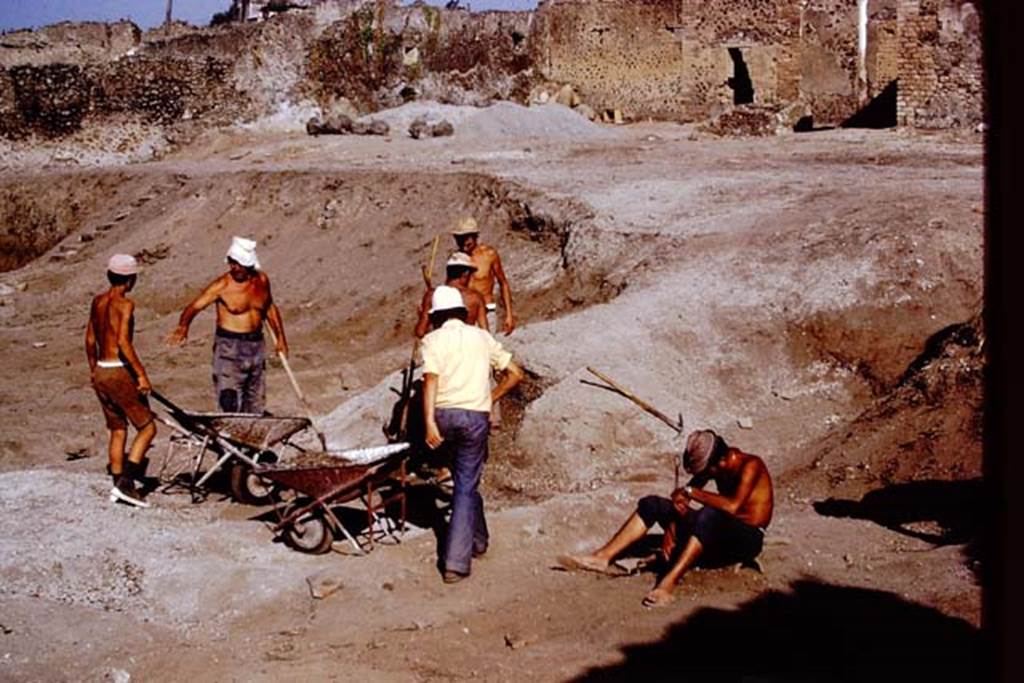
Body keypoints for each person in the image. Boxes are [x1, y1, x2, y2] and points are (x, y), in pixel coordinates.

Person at [557, 429, 773, 607]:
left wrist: (691, 492)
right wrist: (671, 528)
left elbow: (732, 506)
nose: (705, 476)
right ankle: (602, 557)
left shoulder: (751, 465)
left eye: (708, 471)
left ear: (721, 462)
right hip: (718, 530)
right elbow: (682, 502)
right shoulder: (715, 466)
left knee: (709, 514)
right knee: (653, 504)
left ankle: (668, 584)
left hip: (747, 538)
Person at [421, 286, 524, 583]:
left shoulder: (432, 340)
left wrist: (429, 423)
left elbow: (430, 381)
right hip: (475, 417)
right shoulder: (481, 337)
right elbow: (515, 373)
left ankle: (478, 541)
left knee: (464, 479)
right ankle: (456, 562)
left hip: (444, 416)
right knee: (466, 483)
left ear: (437, 316)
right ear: (461, 313)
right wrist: (490, 398)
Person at [166, 236, 288, 414]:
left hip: (256, 344)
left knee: (255, 395)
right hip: (230, 347)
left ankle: (252, 427)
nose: (234, 267)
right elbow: (194, 306)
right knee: (230, 396)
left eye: (238, 264)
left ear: (249, 264)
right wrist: (183, 326)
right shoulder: (222, 285)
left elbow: (269, 308)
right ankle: (230, 426)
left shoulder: (261, 281)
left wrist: (280, 338)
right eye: (232, 263)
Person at [85, 254, 157, 508]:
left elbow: (90, 340)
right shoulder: (125, 305)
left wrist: (94, 370)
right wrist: (141, 375)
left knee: (117, 429)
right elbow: (123, 343)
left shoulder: (97, 301)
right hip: (117, 370)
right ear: (130, 280)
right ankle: (126, 484)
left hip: (101, 370)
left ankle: (117, 483)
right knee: (147, 428)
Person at [450, 216, 515, 336]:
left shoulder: (489, 255)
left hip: (487, 310)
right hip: (465, 314)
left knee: (488, 345)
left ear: (475, 236)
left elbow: (503, 283)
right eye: (459, 238)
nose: (463, 242)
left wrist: (509, 315)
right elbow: (450, 287)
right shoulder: (455, 260)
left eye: (466, 238)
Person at [414, 251, 488, 339]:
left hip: (441, 344)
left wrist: (421, 316)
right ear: (466, 273)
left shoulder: (432, 295)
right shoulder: (475, 297)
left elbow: (420, 332)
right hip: (467, 344)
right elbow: (486, 334)